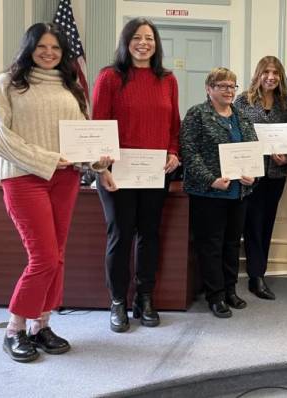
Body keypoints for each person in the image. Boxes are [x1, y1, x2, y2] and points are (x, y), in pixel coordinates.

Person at [0, 23, 111, 362]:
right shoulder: (6, 84)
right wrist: (47, 159)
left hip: (66, 178)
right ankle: (13, 328)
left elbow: (83, 135)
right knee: (42, 256)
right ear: (29, 48)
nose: (49, 53)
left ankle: (40, 325)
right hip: (24, 177)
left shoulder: (72, 87)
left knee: (56, 254)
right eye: (42, 47)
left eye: (55, 48)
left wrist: (98, 160)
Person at [92, 18, 181, 332]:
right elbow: (98, 126)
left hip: (155, 172)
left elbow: (173, 126)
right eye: (138, 37)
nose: (144, 43)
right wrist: (102, 168)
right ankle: (117, 300)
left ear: (156, 44)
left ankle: (144, 297)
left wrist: (174, 153)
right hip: (117, 173)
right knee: (121, 235)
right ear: (126, 41)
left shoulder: (168, 80)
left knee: (149, 235)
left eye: (150, 38)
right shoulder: (110, 77)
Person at [181, 67, 256, 318]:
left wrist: (252, 174)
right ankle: (216, 295)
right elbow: (189, 153)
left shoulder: (241, 116)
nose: (228, 90)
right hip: (209, 193)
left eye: (232, 86)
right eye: (222, 85)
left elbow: (253, 149)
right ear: (209, 88)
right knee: (211, 245)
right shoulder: (197, 114)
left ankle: (230, 289)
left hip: (238, 193)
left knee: (232, 244)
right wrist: (211, 179)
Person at [235, 56, 287, 301]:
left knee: (267, 223)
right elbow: (235, 136)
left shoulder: (285, 105)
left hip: (276, 174)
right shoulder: (243, 102)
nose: (271, 77)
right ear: (258, 74)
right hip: (252, 173)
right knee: (252, 224)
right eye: (266, 72)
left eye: (275, 73)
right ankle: (255, 276)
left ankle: (260, 273)